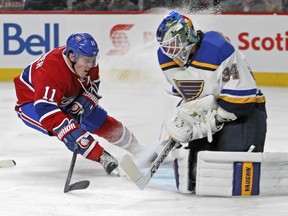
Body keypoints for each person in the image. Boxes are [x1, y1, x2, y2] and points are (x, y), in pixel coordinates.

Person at [156, 11, 267, 193]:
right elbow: (189, 94)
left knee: (231, 173)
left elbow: (243, 100)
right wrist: (184, 119)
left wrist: (212, 122)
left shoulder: (217, 49)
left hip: (243, 111)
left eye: (174, 45)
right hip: (210, 109)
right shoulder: (166, 57)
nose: (170, 52)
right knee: (196, 175)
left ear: (187, 37)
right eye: (166, 47)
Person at [14, 33, 145, 175]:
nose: (91, 65)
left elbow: (93, 83)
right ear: (72, 56)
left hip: (65, 97)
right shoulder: (51, 72)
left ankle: (137, 149)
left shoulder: (89, 62)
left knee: (100, 121)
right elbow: (46, 110)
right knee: (69, 130)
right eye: (87, 60)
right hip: (32, 102)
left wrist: (88, 98)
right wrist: (71, 133)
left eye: (93, 60)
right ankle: (103, 158)